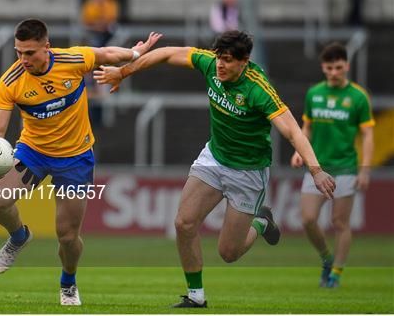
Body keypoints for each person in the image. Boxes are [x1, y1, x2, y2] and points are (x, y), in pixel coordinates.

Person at [93, 30, 336, 308]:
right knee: (183, 224)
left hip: (248, 172)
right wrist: (124, 73)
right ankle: (196, 297)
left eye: (228, 60)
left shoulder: (257, 89)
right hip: (214, 159)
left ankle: (262, 221)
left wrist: (316, 171)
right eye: (219, 57)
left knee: (228, 252)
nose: (220, 64)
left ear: (244, 62)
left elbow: (293, 131)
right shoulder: (210, 63)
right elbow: (168, 53)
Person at [0, 18, 161, 306]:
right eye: (18, 52)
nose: (23, 59)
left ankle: (68, 282)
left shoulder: (72, 60)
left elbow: (107, 54)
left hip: (75, 157)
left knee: (67, 236)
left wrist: (136, 53)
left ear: (46, 47)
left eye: (30, 53)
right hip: (33, 152)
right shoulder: (11, 81)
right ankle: (19, 236)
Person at [291, 43, 374, 288]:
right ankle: (326, 258)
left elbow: (368, 135)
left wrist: (365, 169)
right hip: (317, 166)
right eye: (329, 68)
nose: (334, 72)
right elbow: (306, 128)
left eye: (339, 67)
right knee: (307, 219)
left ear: (346, 66)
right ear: (323, 68)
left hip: (346, 167)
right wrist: (299, 151)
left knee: (339, 223)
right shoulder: (314, 93)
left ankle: (336, 273)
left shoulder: (358, 96)